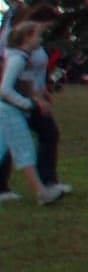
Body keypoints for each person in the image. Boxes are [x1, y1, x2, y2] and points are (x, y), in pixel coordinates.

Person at [0, 20, 65, 206]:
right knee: (24, 148)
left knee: (2, 148)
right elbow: (4, 89)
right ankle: (41, 192)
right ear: (27, 38)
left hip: (11, 108)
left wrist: (36, 97)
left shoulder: (22, 57)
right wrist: (26, 104)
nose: (40, 39)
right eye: (37, 35)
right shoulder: (18, 59)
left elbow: (26, 85)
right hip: (9, 109)